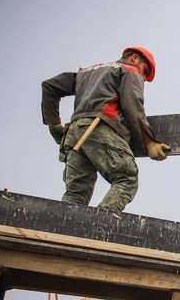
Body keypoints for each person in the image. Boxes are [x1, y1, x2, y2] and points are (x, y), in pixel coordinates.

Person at [41, 47, 170, 212]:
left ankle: (63, 229)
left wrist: (54, 124)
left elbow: (49, 86)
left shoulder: (86, 73)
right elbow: (133, 108)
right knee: (127, 178)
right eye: (144, 72)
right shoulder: (128, 71)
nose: (143, 78)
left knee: (76, 194)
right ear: (135, 58)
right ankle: (99, 223)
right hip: (99, 127)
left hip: (74, 135)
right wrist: (150, 143)